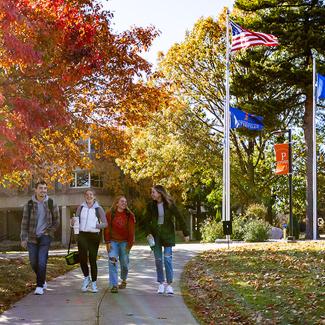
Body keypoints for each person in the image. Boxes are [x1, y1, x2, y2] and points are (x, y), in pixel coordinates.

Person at [144, 185, 190, 295]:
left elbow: (179, 217)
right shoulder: (150, 206)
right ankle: (161, 283)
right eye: (152, 192)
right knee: (158, 260)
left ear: (160, 193)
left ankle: (169, 285)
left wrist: (186, 233)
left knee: (167, 259)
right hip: (155, 235)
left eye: (153, 192)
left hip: (168, 234)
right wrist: (148, 233)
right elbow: (146, 221)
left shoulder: (170, 204)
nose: (152, 194)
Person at [20, 180, 60, 295]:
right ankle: (42, 279)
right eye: (41, 188)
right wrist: (23, 238)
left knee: (42, 261)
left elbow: (56, 221)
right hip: (32, 237)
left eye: (45, 188)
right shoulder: (29, 204)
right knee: (33, 262)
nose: (43, 190)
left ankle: (39, 286)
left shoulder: (51, 203)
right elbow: (24, 222)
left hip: (45, 236)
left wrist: (49, 232)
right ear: (36, 190)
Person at [72, 189, 107, 293]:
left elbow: (105, 223)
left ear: (94, 196)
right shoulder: (80, 207)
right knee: (82, 259)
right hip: (82, 235)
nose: (89, 196)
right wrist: (73, 223)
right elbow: (76, 222)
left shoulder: (98, 208)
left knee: (92, 259)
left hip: (94, 236)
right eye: (87, 195)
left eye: (91, 194)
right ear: (85, 196)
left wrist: (96, 226)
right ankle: (86, 278)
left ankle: (94, 283)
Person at [104, 195, 135, 293]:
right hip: (113, 241)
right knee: (112, 261)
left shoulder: (130, 215)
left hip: (124, 242)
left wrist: (129, 245)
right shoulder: (109, 214)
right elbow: (107, 229)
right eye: (122, 201)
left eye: (125, 202)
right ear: (117, 203)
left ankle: (124, 279)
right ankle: (114, 284)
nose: (124, 203)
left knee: (124, 263)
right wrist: (108, 242)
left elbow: (131, 231)